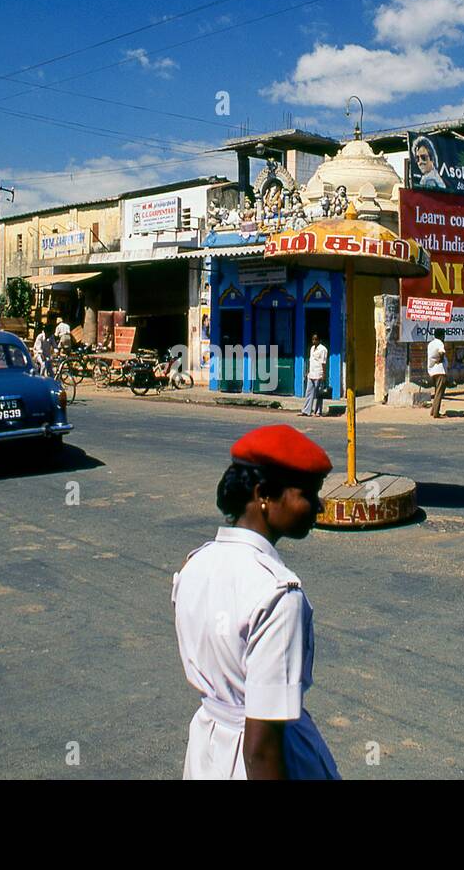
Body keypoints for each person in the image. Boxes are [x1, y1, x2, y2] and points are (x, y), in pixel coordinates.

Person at [172, 424, 339, 780]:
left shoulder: (194, 564)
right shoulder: (278, 595)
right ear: (264, 495)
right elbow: (262, 747)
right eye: (307, 493)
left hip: (208, 751)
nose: (319, 506)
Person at [300, 332, 328, 417]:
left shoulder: (323, 349)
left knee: (318, 394)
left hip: (319, 373)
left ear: (319, 340)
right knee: (309, 392)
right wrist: (308, 371)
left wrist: (323, 374)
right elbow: (311, 360)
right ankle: (306, 411)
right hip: (311, 373)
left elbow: (323, 362)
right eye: (313, 339)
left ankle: (318, 412)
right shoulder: (312, 348)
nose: (314, 341)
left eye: (316, 339)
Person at [426, 328, 447, 419]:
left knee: (436, 391)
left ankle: (433, 411)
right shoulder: (440, 343)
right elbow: (441, 352)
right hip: (440, 370)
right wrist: (441, 360)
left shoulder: (430, 344)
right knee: (439, 392)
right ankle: (436, 413)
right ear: (442, 335)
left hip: (432, 370)